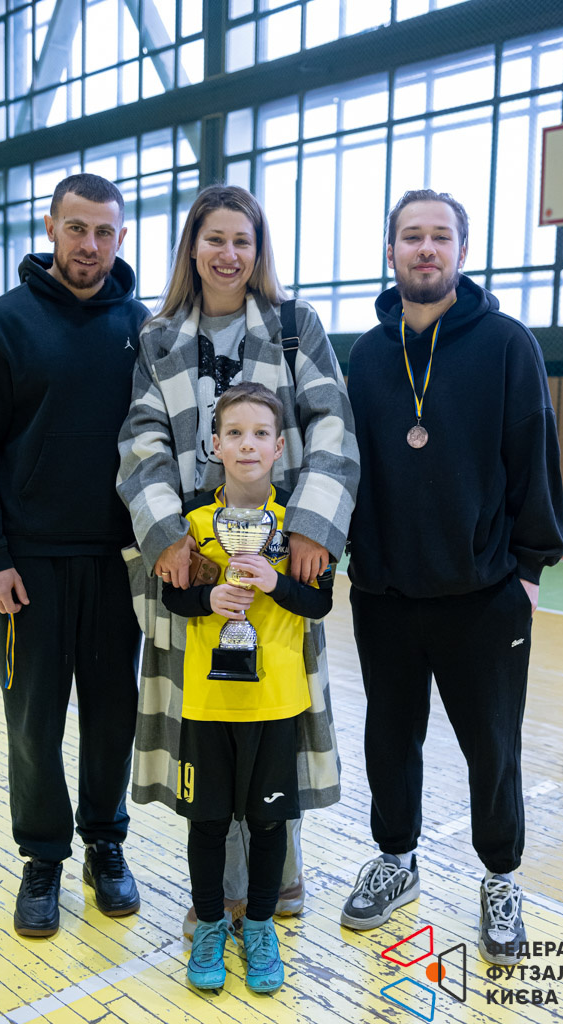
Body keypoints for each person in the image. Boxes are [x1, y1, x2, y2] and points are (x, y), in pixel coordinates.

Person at [117, 184, 359, 935]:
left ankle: (277, 883)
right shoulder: (157, 337)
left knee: (279, 709)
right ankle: (216, 893)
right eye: (214, 238)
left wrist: (313, 527)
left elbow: (332, 424)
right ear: (192, 247)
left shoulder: (294, 325)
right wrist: (167, 536)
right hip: (197, 555)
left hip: (276, 550)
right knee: (211, 719)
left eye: (242, 240)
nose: (228, 254)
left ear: (259, 251)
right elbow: (142, 445)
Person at [342, 189, 563, 966]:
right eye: (411, 236)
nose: (425, 248)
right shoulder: (367, 354)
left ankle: (500, 877)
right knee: (387, 738)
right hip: (384, 592)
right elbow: (350, 467)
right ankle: (395, 861)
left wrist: (527, 569)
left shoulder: (505, 343)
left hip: (483, 594)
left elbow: (533, 454)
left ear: (461, 253)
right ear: (391, 251)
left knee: (491, 749)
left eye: (440, 236)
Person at [0, 173, 146, 937]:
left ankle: (104, 843)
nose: (90, 245)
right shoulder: (1, 325)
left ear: (120, 237)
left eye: (104, 231)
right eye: (76, 228)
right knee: (32, 722)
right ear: (51, 227)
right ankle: (42, 855)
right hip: (26, 567)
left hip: (116, 562)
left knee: (112, 716)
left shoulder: (142, 327)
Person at [162, 381, 334, 991]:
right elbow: (173, 596)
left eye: (261, 433)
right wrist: (209, 598)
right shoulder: (192, 523)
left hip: (275, 703)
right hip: (208, 703)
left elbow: (319, 602)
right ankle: (211, 924)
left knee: (268, 824)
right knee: (208, 823)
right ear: (214, 444)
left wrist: (274, 583)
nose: (247, 445)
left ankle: (259, 925)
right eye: (234, 433)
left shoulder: (300, 527)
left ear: (279, 446)